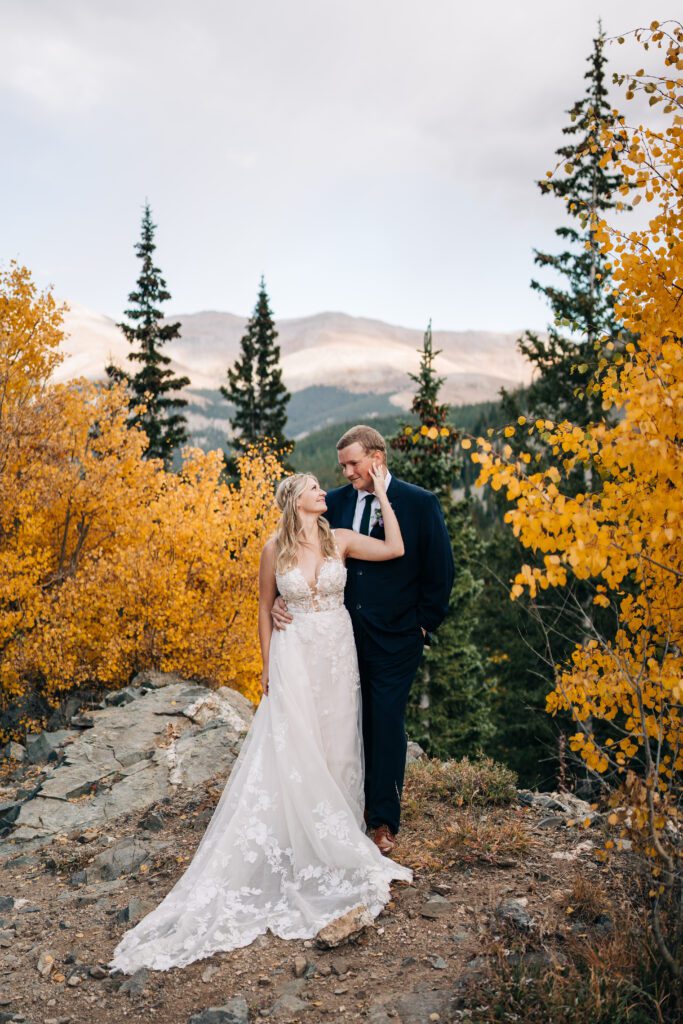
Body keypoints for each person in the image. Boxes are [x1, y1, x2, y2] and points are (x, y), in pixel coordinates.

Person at [108, 465, 411, 974]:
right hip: (294, 655)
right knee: (298, 744)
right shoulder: (275, 550)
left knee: (337, 742)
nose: (325, 492)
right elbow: (263, 608)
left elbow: (396, 548)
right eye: (316, 488)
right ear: (296, 500)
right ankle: (301, 837)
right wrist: (268, 667)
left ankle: (339, 833)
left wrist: (382, 494)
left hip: (337, 652)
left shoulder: (341, 539)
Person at [272, 425, 454, 856]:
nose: (347, 472)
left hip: (397, 640)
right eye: (343, 466)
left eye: (353, 464)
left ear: (376, 458)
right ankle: (334, 808)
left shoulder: (419, 503)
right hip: (336, 640)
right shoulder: (330, 503)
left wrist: (422, 626)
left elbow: (440, 571)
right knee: (342, 722)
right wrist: (281, 600)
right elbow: (296, 555)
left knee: (386, 722)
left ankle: (383, 821)